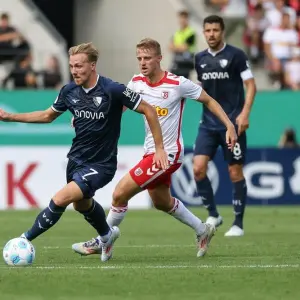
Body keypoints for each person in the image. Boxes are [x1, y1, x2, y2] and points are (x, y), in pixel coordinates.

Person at [0, 42, 168, 262]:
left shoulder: (113, 89)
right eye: (71, 66)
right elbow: (47, 116)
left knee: (61, 198)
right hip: (76, 160)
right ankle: (107, 235)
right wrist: (10, 117)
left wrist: (159, 148)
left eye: (79, 66)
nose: (74, 71)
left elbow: (148, 109)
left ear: (92, 65)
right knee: (82, 204)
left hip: (102, 164)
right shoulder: (69, 91)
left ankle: (24, 240)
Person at [71, 38, 237, 258]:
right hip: (150, 151)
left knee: (120, 193)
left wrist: (229, 125)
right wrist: (89, 120)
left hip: (168, 153)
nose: (142, 62)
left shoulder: (177, 84)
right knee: (161, 201)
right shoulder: (136, 82)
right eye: (139, 58)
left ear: (159, 58)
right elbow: (118, 107)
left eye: (147, 58)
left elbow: (209, 100)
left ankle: (102, 240)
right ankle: (202, 229)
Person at [194, 15, 257, 237]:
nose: (211, 34)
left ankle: (238, 223)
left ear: (222, 32)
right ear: (204, 32)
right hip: (208, 124)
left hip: (233, 124)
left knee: (234, 171)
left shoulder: (236, 55)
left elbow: (250, 85)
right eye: (208, 30)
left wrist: (245, 113)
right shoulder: (199, 58)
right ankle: (213, 214)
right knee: (198, 168)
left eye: (215, 30)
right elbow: (201, 88)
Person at [169, 10, 196, 79]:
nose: (182, 20)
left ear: (187, 19)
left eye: (184, 18)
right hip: (177, 63)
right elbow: (170, 47)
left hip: (186, 64)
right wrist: (179, 47)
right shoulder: (176, 33)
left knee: (184, 84)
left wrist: (176, 47)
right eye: (181, 18)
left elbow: (184, 47)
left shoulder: (191, 33)